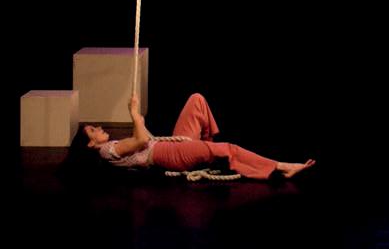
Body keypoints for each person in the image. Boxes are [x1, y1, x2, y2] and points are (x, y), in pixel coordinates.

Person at [71, 92, 314, 180]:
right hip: (165, 154)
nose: (98, 127)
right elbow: (143, 141)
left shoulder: (109, 147)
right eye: (92, 130)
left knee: (196, 100)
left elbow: (141, 138)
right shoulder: (105, 151)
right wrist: (134, 114)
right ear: (90, 144)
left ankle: (206, 150)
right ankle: (282, 167)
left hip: (167, 148)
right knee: (229, 149)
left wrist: (138, 121)